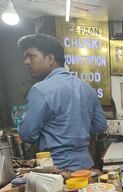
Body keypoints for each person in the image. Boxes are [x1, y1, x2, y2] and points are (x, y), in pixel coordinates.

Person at [18, 34, 107, 171]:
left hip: (56, 170)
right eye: (25, 57)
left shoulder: (40, 90)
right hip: (86, 167)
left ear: (51, 58)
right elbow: (100, 125)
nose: (26, 61)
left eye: (31, 56)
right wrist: (77, 131)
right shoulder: (85, 87)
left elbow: (27, 134)